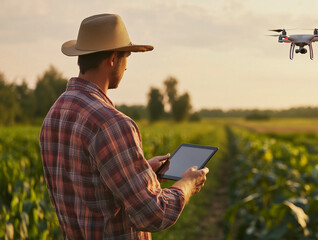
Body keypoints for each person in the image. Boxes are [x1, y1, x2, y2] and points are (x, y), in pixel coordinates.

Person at [39, 13, 209, 239]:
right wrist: (186, 184)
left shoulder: (55, 113)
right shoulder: (112, 124)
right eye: (126, 56)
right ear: (112, 58)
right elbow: (154, 214)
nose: (127, 66)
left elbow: (90, 187)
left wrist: (142, 172)